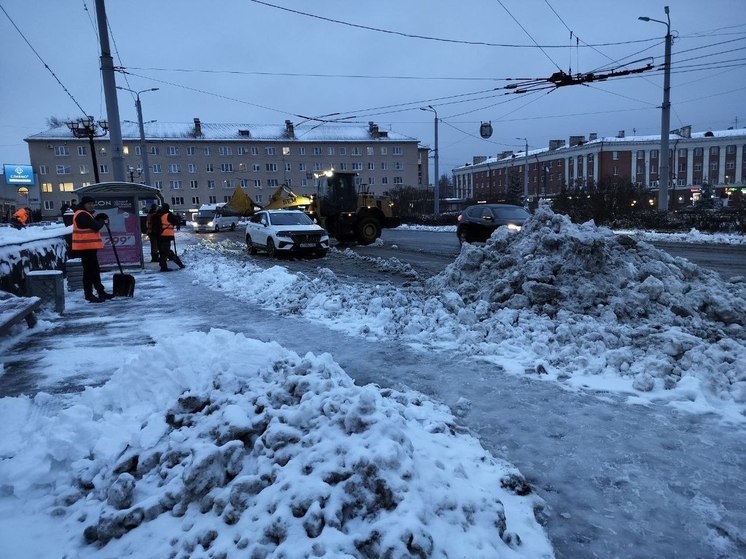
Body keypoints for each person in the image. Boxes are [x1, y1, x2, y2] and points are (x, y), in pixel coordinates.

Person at [72, 196, 114, 303]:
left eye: (92, 204)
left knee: (95, 270)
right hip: (85, 248)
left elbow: (93, 224)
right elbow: (95, 226)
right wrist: (101, 220)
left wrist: (98, 218)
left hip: (90, 248)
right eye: (89, 204)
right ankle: (89, 294)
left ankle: (100, 291)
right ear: (84, 204)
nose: (91, 206)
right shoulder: (81, 214)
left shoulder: (86, 214)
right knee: (89, 272)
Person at [157, 203, 185, 272]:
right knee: (166, 252)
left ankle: (163, 266)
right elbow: (176, 221)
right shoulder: (168, 215)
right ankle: (166, 267)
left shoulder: (158, 214)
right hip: (166, 235)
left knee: (163, 251)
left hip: (159, 235)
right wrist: (178, 217)